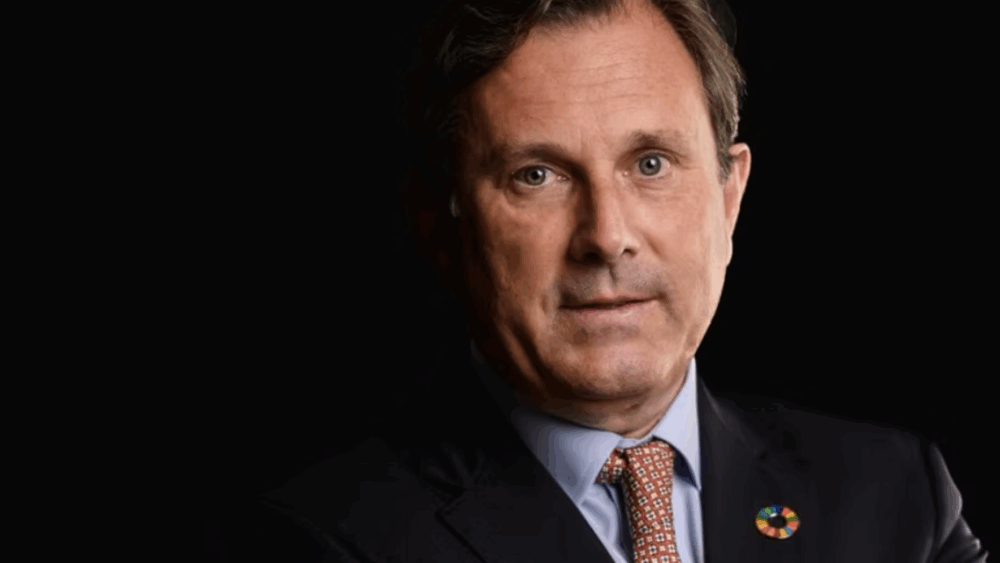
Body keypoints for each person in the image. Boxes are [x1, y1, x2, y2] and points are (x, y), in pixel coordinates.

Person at [210, 0, 989, 561]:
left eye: (650, 163)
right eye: (537, 174)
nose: (607, 236)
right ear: (441, 225)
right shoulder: (323, 538)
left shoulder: (896, 498)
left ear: (729, 198)